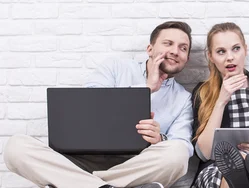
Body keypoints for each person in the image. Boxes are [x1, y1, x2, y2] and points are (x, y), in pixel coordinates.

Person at [3, 21, 195, 188]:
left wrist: (159, 138)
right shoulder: (115, 68)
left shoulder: (183, 98)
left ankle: (80, 184)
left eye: (183, 48)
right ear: (150, 49)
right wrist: (146, 88)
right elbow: (89, 107)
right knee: (15, 147)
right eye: (168, 43)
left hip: (136, 164)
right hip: (79, 159)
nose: (174, 51)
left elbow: (184, 145)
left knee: (176, 155)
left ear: (186, 58)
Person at [191, 22, 249, 188]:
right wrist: (221, 100)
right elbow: (204, 154)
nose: (230, 57)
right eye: (221, 51)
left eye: (236, 48)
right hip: (216, 167)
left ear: (245, 50)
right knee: (230, 177)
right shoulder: (202, 92)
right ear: (211, 56)